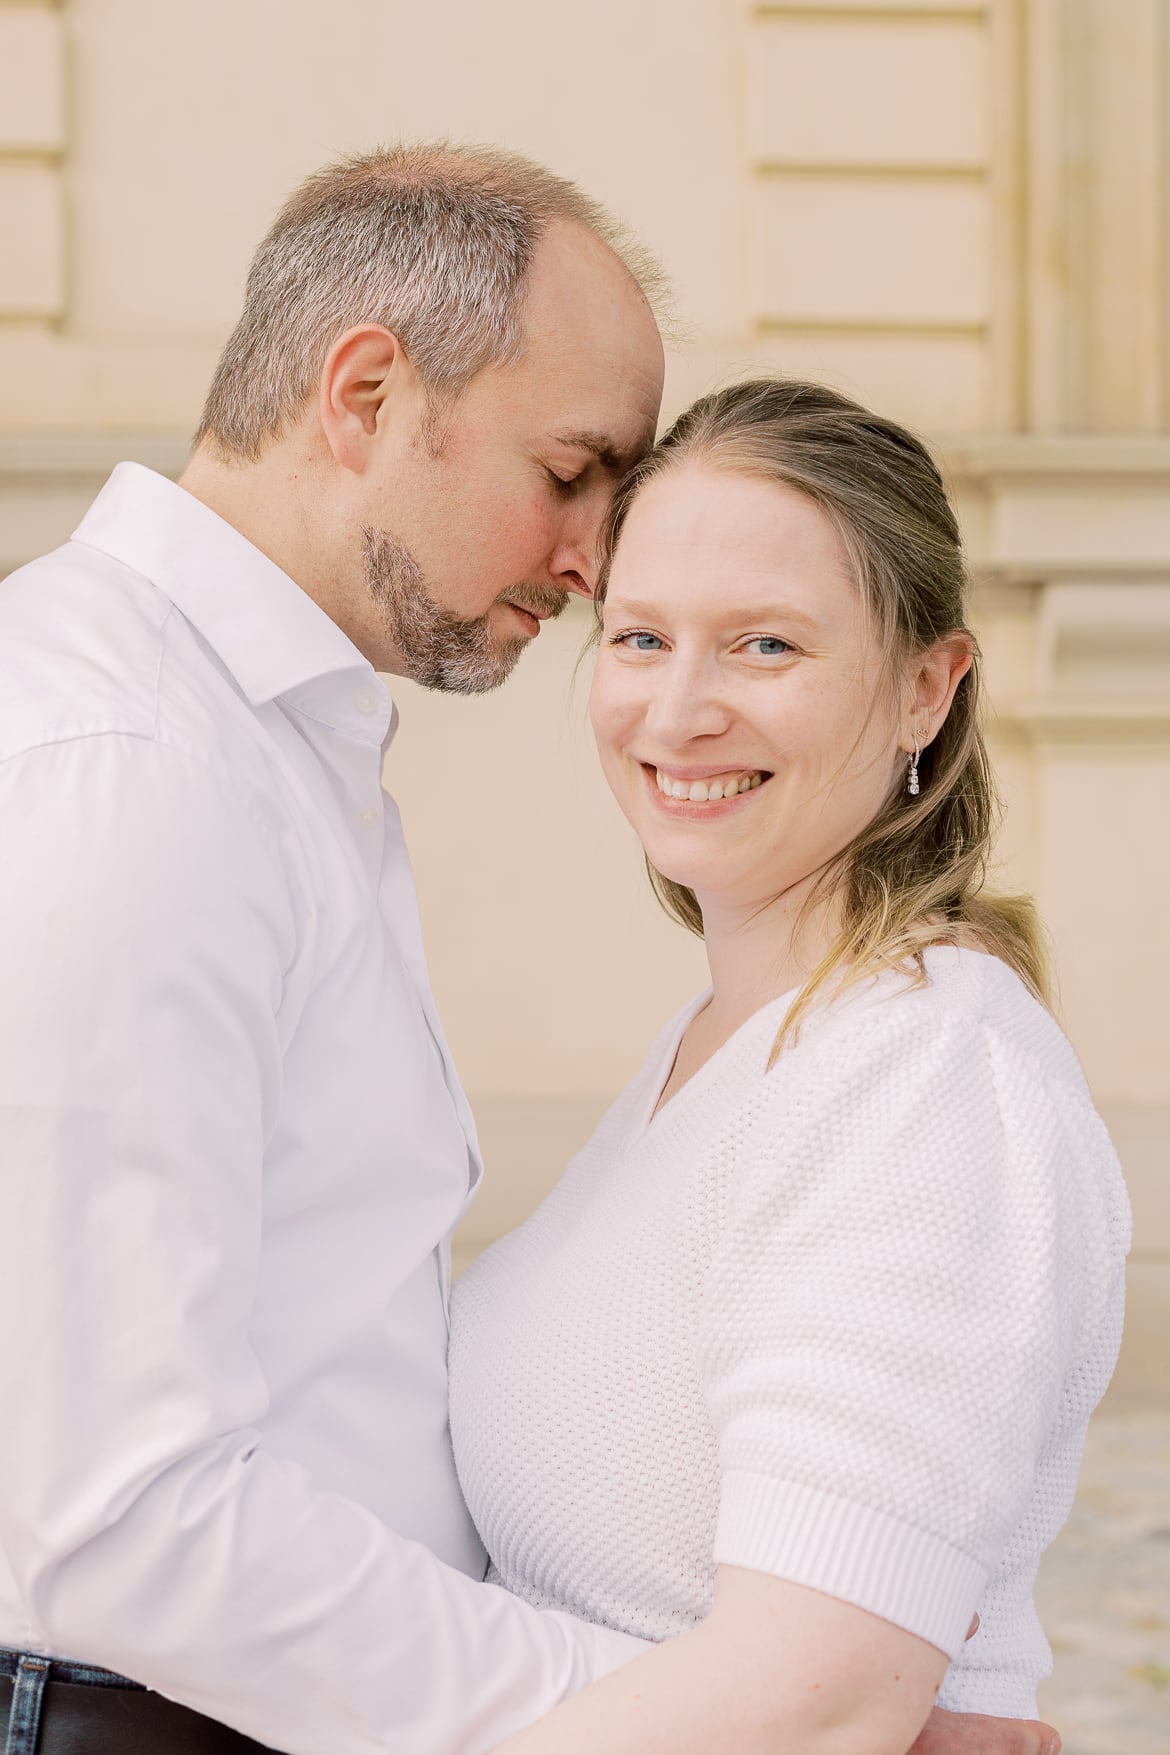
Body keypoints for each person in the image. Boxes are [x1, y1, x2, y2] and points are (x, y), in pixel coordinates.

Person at [0, 141, 1060, 1755]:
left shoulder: (265, 745)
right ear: (363, 396)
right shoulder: (138, 764)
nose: (588, 568)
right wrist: (693, 1715)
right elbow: (113, 1508)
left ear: (927, 687)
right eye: (571, 473)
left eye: (763, 640)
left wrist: (790, 1700)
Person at [449, 379, 1130, 1755]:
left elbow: (804, 1704)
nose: (679, 709)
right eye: (640, 637)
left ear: (924, 688)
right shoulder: (727, 1044)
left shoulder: (916, 1079)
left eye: (763, 645)